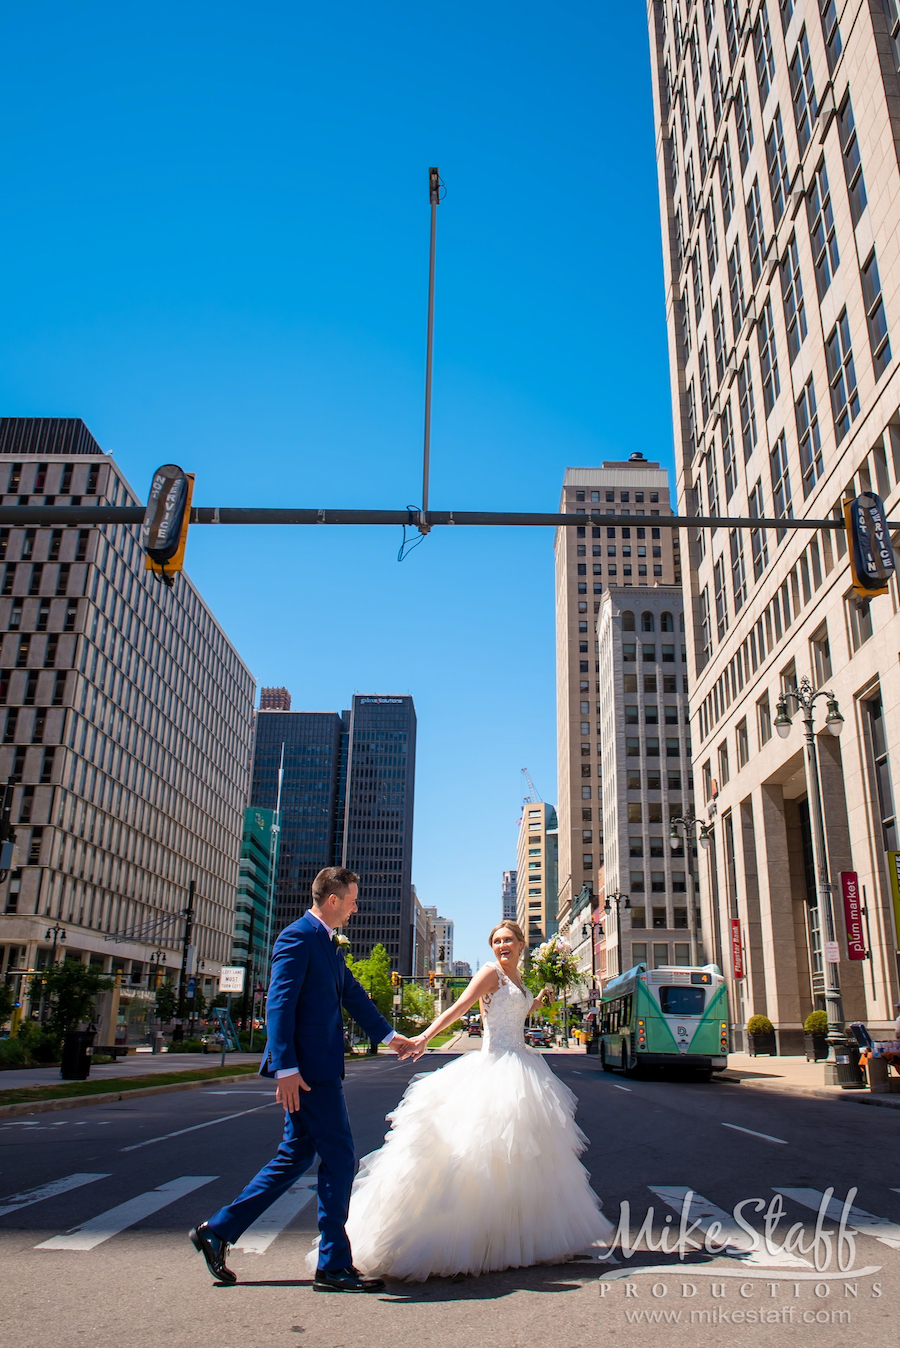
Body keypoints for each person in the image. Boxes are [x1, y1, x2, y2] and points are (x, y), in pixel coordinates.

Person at [307, 921, 614, 1282]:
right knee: (479, 1157)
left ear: (521, 945)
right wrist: (423, 1037)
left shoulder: (519, 979)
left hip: (524, 1066)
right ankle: (461, 1238)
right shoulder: (490, 974)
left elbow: (515, 1015)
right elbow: (459, 1008)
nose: (502, 946)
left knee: (523, 1160)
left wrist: (539, 1000)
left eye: (508, 941)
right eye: (496, 941)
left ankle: (512, 1238)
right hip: (495, 1067)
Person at [190, 867, 417, 1293]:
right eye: (351, 899)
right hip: (309, 1074)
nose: (355, 907)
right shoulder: (297, 938)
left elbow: (352, 994)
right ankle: (332, 1265)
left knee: (295, 1156)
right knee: (340, 1158)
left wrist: (390, 1037)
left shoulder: (329, 945)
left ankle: (217, 1231)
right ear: (332, 900)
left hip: (319, 1068)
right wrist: (287, 1069)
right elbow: (279, 1005)